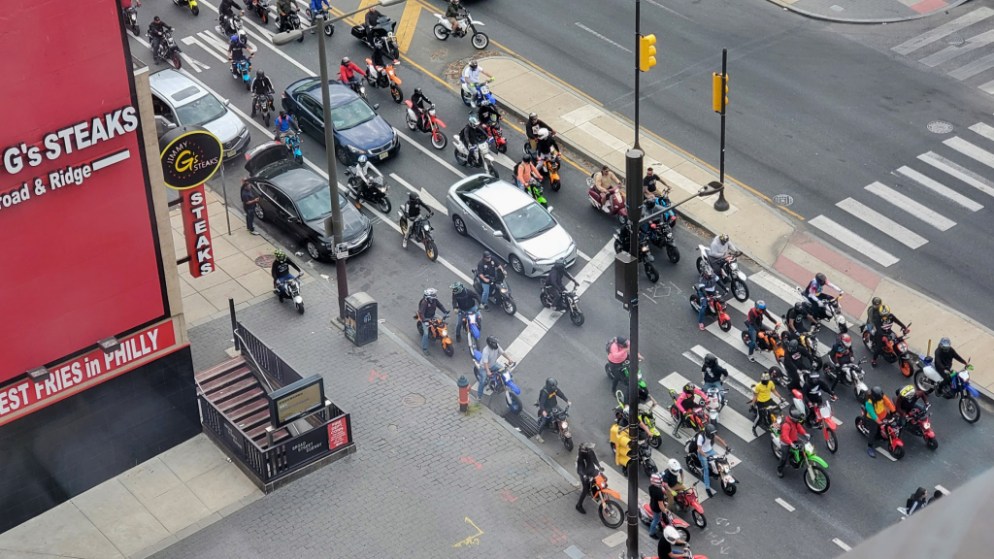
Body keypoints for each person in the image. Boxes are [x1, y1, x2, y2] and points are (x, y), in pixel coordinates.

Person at [691, 424, 727, 498]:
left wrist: (726, 446)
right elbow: (699, 450)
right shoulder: (701, 437)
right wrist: (706, 456)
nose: (712, 435)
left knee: (720, 460)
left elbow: (718, 439)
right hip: (702, 454)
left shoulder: (711, 434)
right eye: (711, 434)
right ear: (707, 433)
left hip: (710, 450)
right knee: (706, 470)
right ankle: (707, 488)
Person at [863, 386, 896, 458]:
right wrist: (879, 422)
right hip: (873, 419)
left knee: (892, 424)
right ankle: (870, 447)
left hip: (883, 414)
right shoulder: (869, 402)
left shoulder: (881, 396)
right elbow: (872, 413)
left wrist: (894, 412)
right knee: (873, 432)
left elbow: (888, 403)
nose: (882, 398)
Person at [535, 377, 569, 443]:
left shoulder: (554, 389)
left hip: (554, 405)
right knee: (544, 421)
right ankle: (538, 435)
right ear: (549, 386)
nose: (555, 388)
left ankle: (563, 426)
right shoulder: (545, 392)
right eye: (553, 386)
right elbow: (541, 403)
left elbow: (560, 394)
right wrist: (543, 411)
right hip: (546, 407)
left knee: (563, 414)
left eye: (555, 386)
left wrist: (567, 400)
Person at [777, 407, 808, 477]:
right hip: (785, 442)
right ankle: (779, 470)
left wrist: (805, 433)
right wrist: (791, 443)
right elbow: (785, 437)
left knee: (803, 446)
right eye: (798, 419)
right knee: (784, 458)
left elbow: (799, 428)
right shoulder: (786, 425)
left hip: (794, 438)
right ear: (793, 418)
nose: (799, 420)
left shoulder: (795, 422)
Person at [416, 288, 449, 355]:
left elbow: (440, 305)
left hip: (433, 315)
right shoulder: (424, 303)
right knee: (426, 333)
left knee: (441, 324)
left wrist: (445, 311)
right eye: (433, 294)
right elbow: (421, 313)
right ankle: (424, 348)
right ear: (428, 296)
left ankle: (438, 335)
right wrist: (424, 320)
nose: (435, 295)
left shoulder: (434, 300)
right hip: (426, 318)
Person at [575, 442, 601, 514]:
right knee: (585, 489)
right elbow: (580, 468)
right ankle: (579, 505)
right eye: (590, 448)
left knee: (602, 479)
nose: (591, 449)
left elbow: (594, 459)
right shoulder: (581, 456)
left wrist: (599, 466)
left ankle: (594, 493)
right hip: (584, 472)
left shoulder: (590, 452)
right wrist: (584, 475)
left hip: (591, 469)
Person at [694, 266, 721, 331]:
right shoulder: (702, 280)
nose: (710, 276)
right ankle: (700, 322)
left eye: (710, 274)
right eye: (708, 275)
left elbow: (719, 282)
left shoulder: (713, 276)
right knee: (703, 307)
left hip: (712, 291)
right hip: (704, 293)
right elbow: (703, 290)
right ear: (705, 274)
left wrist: (725, 289)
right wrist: (707, 297)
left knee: (719, 300)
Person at [647, 472, 670, 539]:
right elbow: (661, 505)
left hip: (652, 503)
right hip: (657, 508)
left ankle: (660, 524)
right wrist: (665, 510)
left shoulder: (651, 487)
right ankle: (652, 533)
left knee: (659, 517)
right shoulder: (659, 492)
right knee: (656, 520)